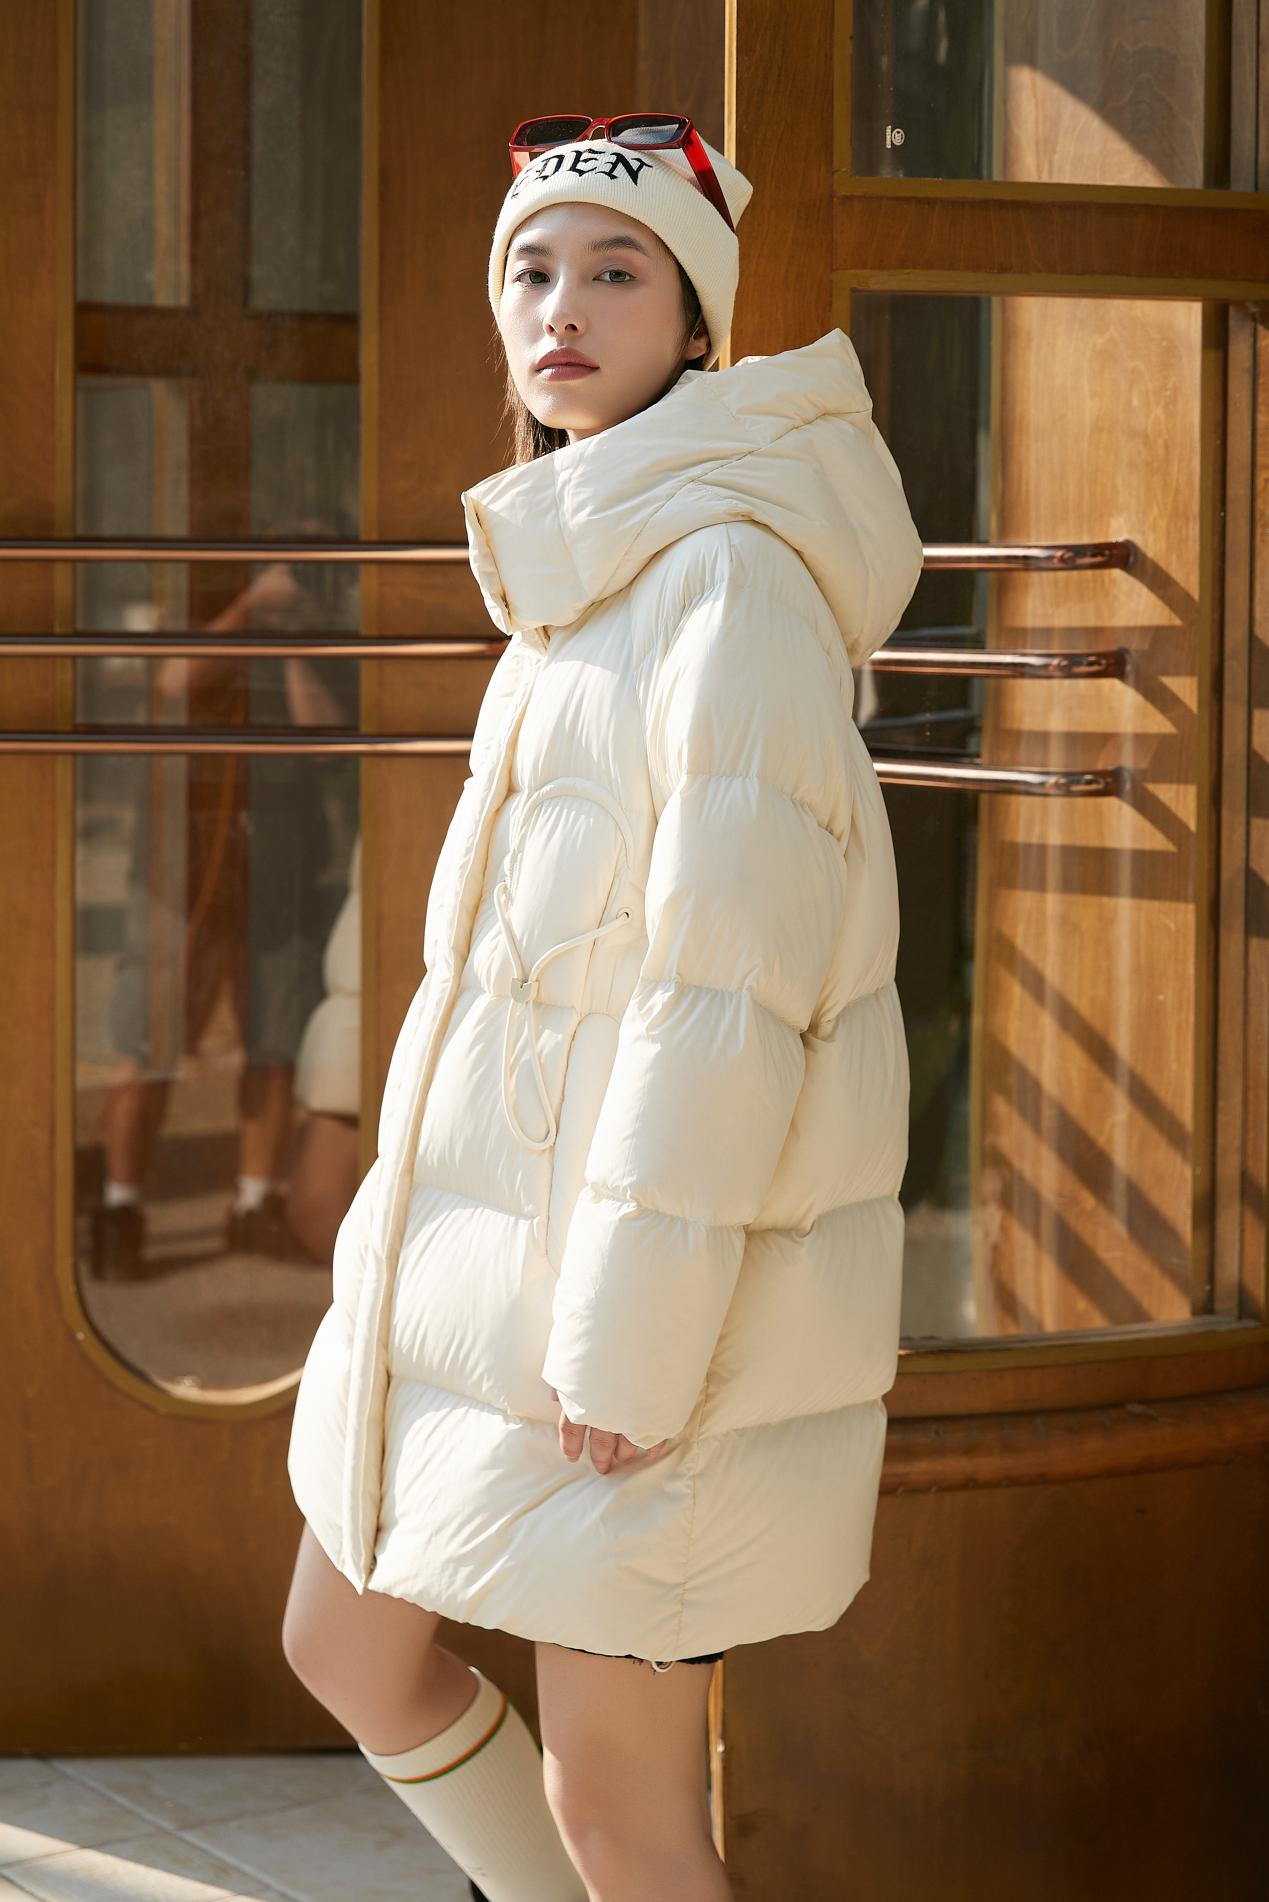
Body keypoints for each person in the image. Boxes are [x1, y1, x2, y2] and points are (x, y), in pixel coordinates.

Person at [281, 117, 925, 1902]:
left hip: (650, 1301)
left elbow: (732, 994)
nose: (560, 307)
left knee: (621, 1816)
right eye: (531, 269)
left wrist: (632, 1342)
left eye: (616, 271)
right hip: (511, 1257)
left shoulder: (726, 578)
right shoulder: (587, 561)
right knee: (349, 1642)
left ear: (695, 320)